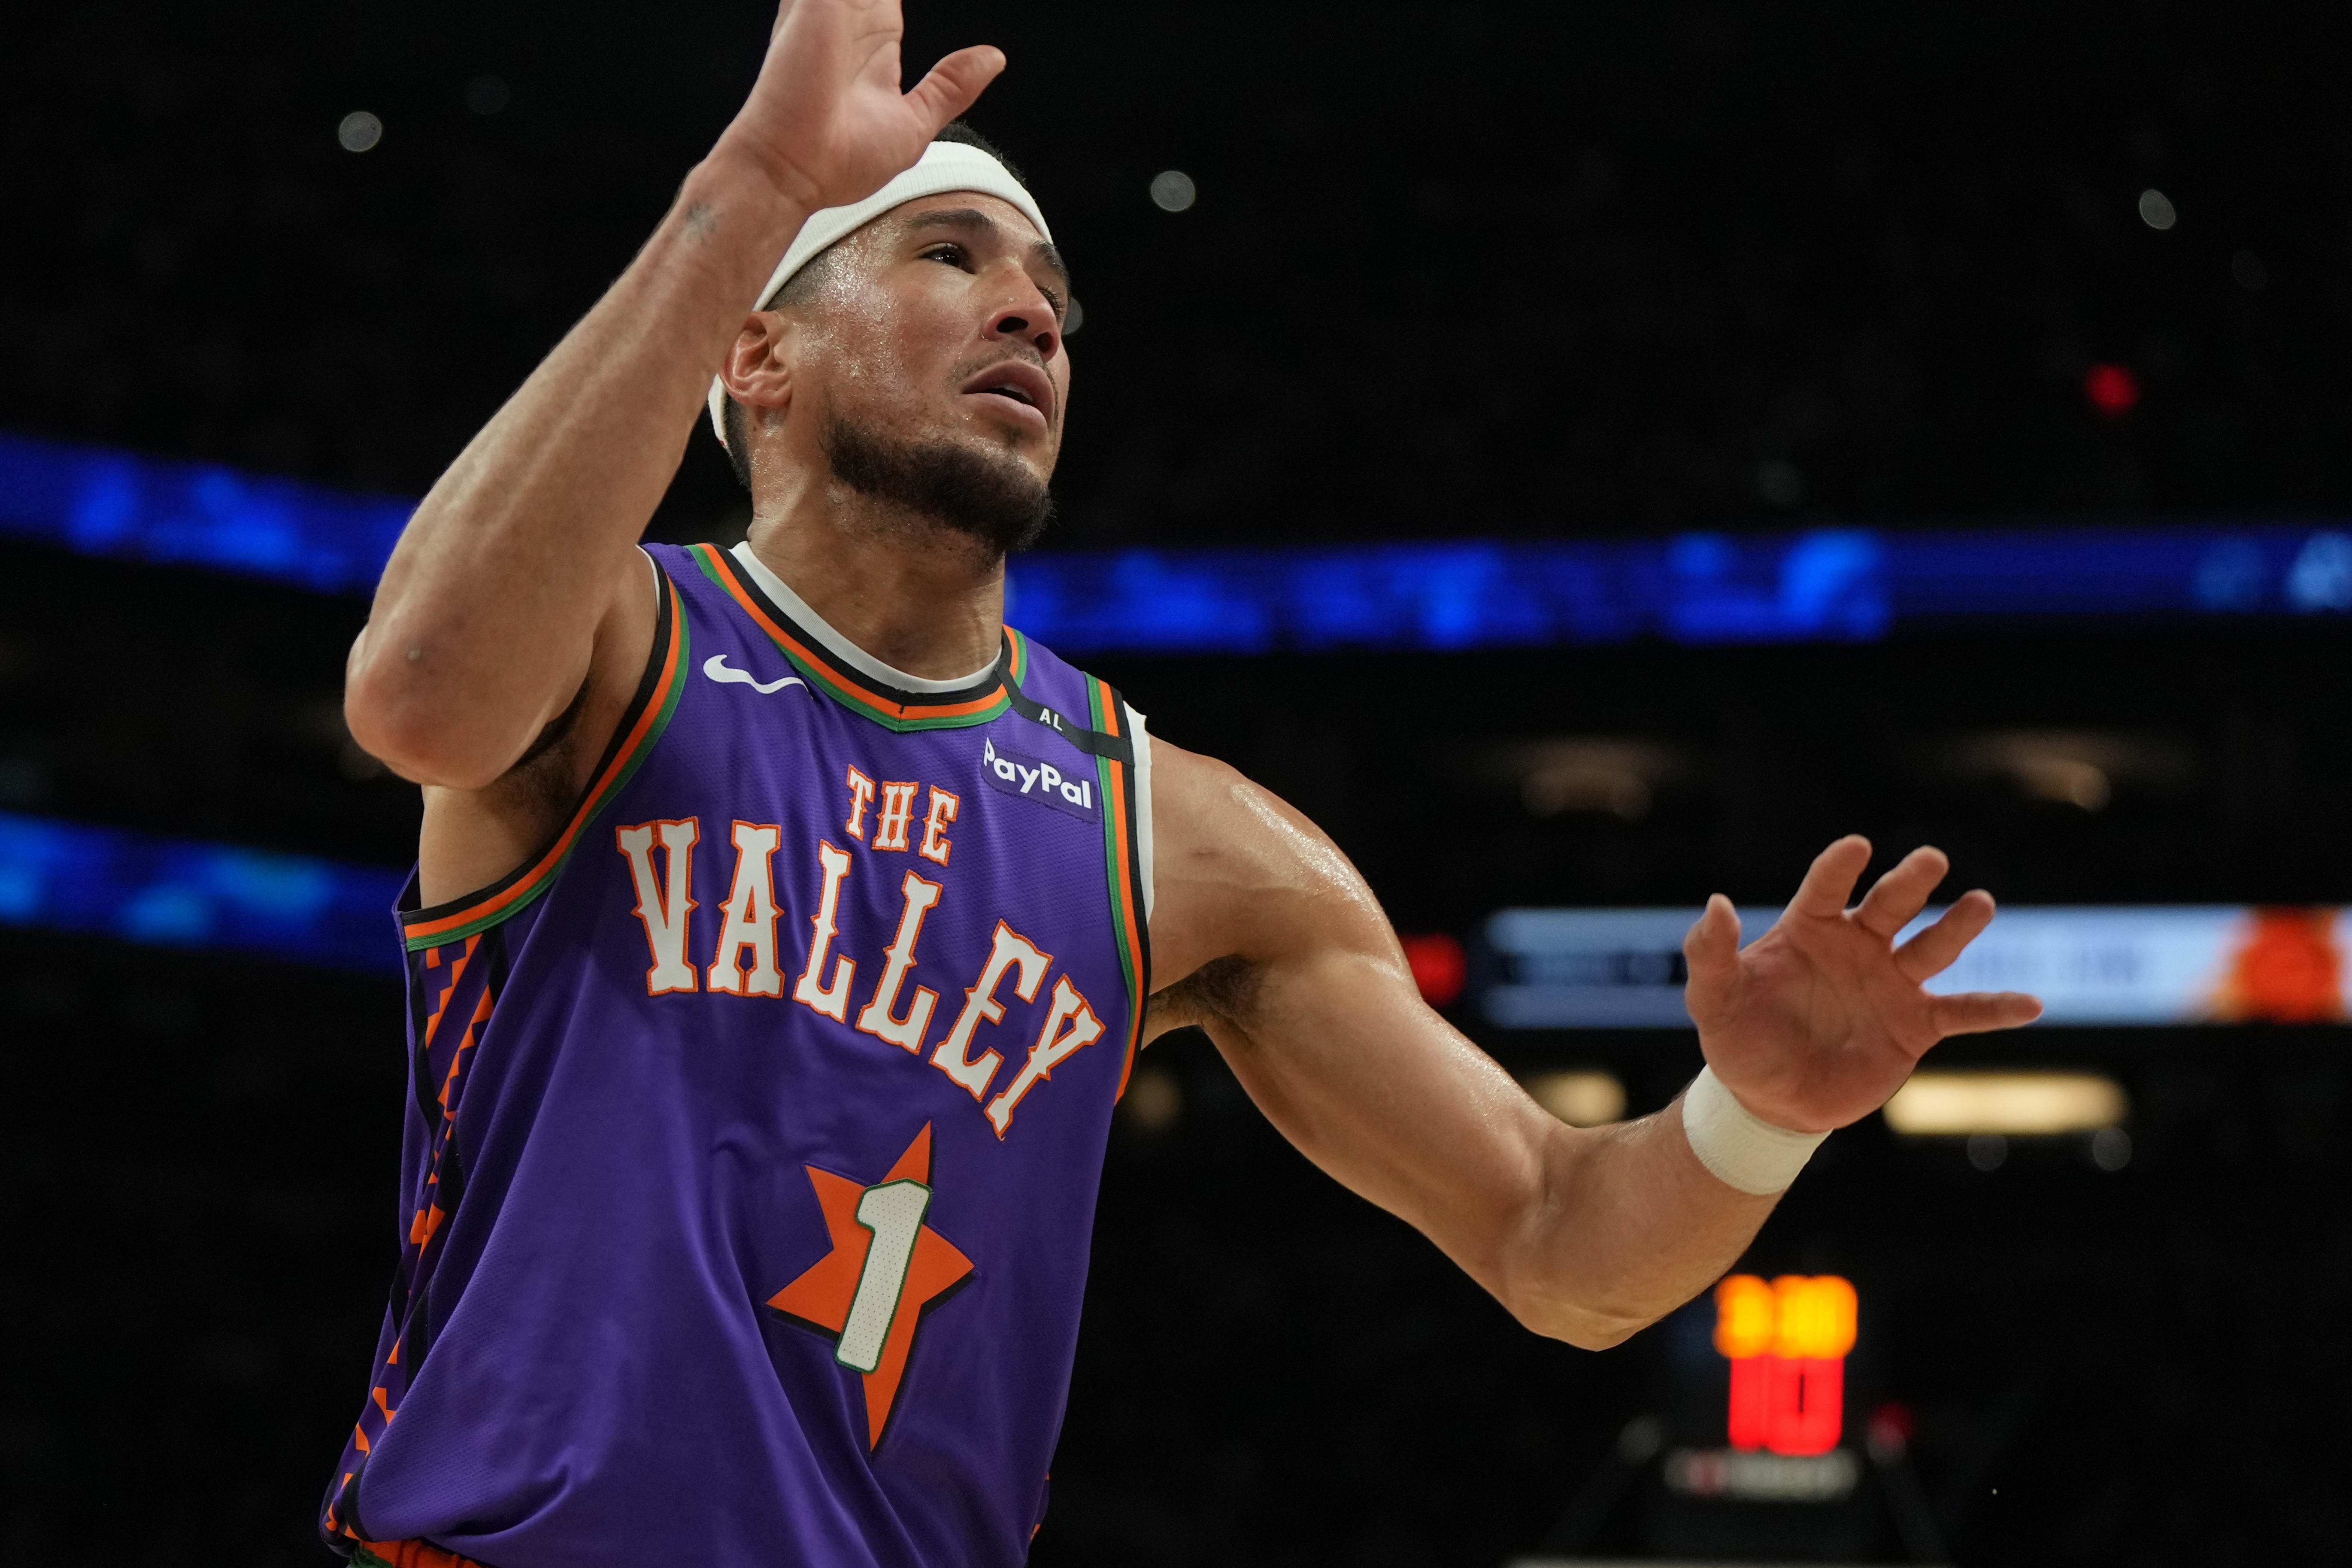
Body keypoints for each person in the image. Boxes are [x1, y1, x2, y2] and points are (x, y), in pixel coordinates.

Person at [329, 3, 2042, 1564]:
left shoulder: (1174, 832)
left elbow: (1556, 1238)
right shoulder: (613, 642)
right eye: (948, 253)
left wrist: (1756, 1114)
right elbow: (415, 694)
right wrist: (758, 182)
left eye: (1050, 295)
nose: (1030, 311)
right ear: (758, 357)